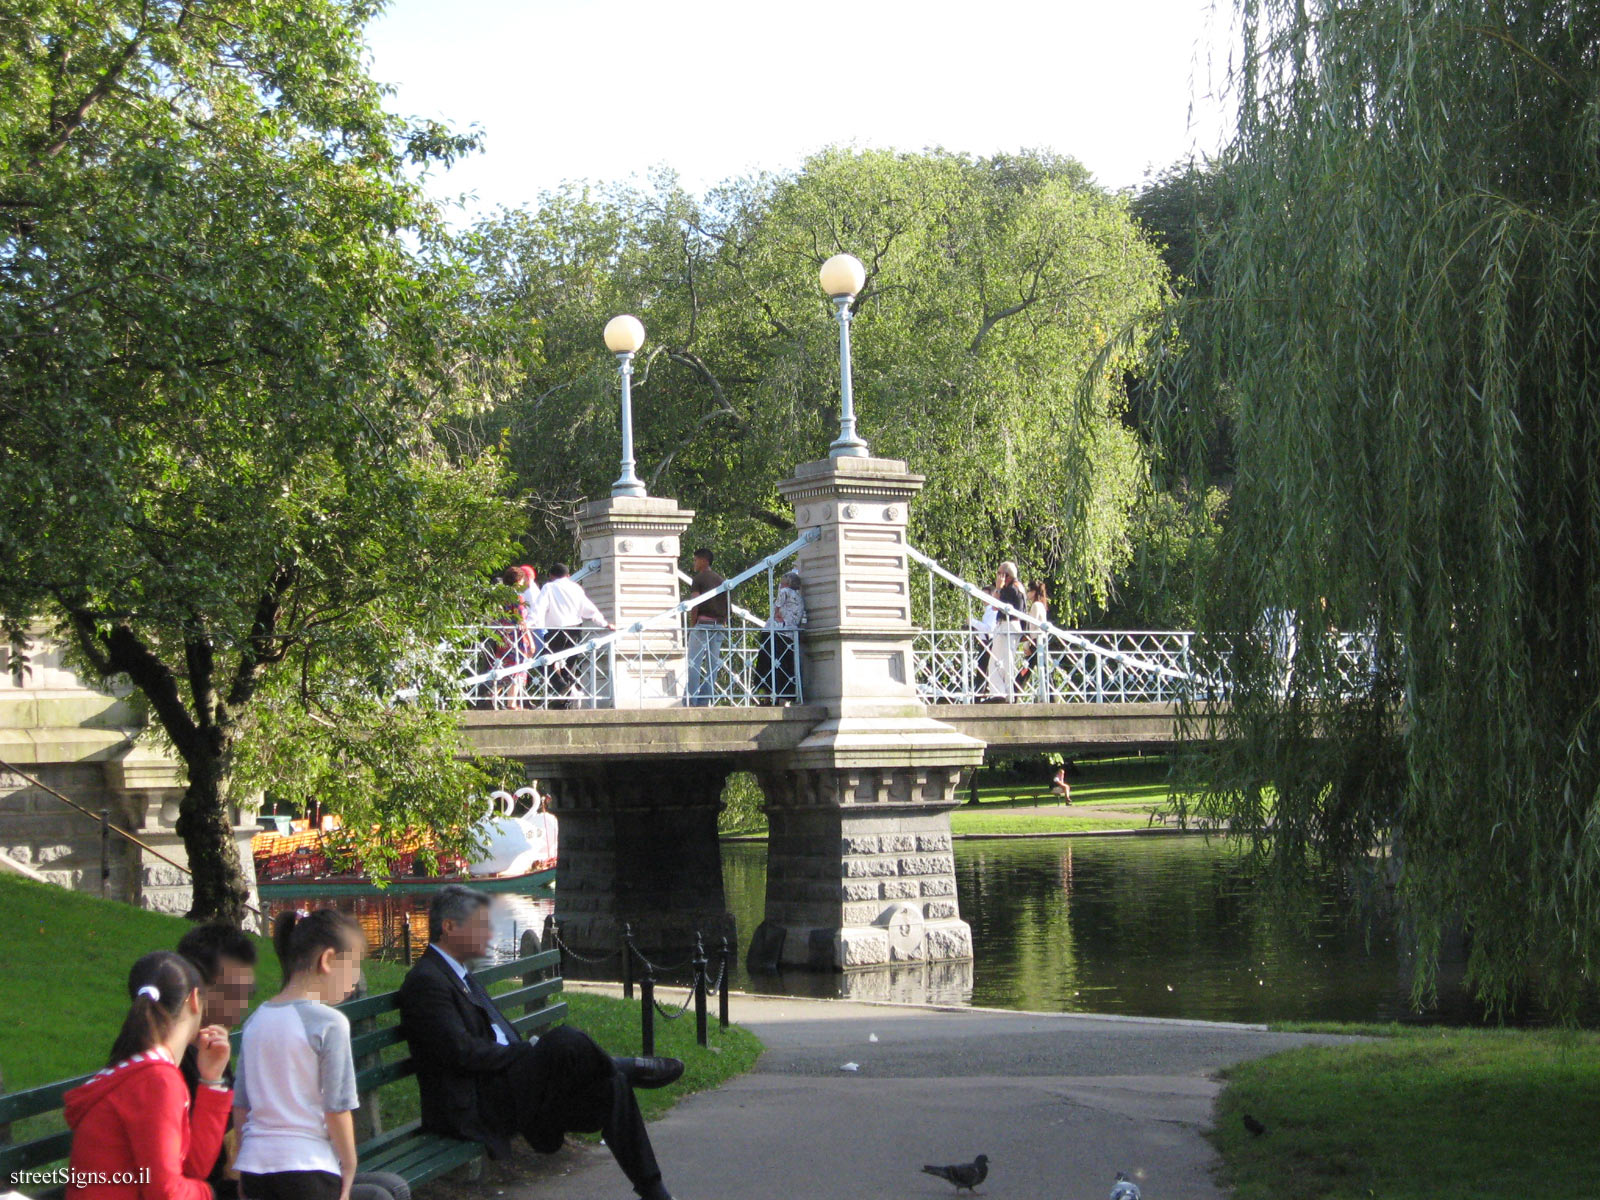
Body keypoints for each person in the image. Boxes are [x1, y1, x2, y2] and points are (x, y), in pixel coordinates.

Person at [398, 886, 684, 1200]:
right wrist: (527, 1052)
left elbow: (494, 1038)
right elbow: (461, 1052)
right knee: (563, 1040)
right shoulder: (427, 981)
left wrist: (524, 1055)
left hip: (504, 1091)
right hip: (473, 1108)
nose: (488, 932)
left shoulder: (460, 976)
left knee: (611, 1087)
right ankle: (623, 1065)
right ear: (449, 927)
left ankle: (655, 1192)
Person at [64, 951, 233, 1199]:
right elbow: (166, 1193)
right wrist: (212, 1194)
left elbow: (192, 1168)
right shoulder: (157, 1081)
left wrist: (211, 1080)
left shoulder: (147, 1070)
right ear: (194, 1000)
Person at [233, 909, 366, 1200]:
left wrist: (240, 1169)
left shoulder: (255, 1020)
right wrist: (350, 1163)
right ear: (328, 960)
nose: (356, 979)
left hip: (256, 1168)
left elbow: (241, 1106)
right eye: (354, 966)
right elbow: (336, 1107)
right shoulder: (330, 1023)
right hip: (309, 1169)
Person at [176, 923, 258, 1193]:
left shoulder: (211, 1046)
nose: (244, 998)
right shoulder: (179, 1063)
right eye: (235, 988)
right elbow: (201, 1169)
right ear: (197, 990)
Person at [528, 563, 615, 707]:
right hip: (574, 631)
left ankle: (561, 687)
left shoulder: (549, 587)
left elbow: (539, 608)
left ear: (551, 576)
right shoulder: (576, 588)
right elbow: (589, 609)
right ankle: (566, 702)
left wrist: (528, 623)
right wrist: (604, 623)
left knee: (543, 661)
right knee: (569, 666)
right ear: (568, 576)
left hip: (556, 631)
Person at [686, 547, 727, 706]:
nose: (694, 563)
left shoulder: (699, 579)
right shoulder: (721, 580)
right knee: (712, 666)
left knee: (693, 664)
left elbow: (694, 604)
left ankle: (691, 700)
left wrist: (692, 625)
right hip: (718, 626)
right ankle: (705, 701)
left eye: (695, 560)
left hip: (702, 624)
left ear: (704, 561)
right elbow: (726, 604)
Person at [755, 570, 805, 701]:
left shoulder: (785, 592)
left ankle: (767, 697)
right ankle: (783, 697)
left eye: (782, 582)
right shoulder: (799, 597)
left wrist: (776, 614)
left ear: (787, 583)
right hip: (790, 634)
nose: (780, 585)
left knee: (768, 664)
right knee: (783, 666)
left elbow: (777, 605)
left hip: (776, 632)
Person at [986, 561, 1027, 702]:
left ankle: (1000, 694)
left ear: (1005, 576)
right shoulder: (1019, 587)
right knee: (1007, 662)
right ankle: (1008, 695)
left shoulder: (1010, 589)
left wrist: (998, 588)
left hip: (1006, 627)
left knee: (996, 663)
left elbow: (995, 606)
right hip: (1013, 627)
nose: (997, 576)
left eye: (999, 574)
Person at [1016, 580, 1050, 697]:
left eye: (1029, 591)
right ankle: (1051, 697)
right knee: (1043, 669)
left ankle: (1015, 690)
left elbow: (1032, 627)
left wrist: (1027, 644)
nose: (1028, 593)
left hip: (1035, 641)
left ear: (1034, 592)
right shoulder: (1041, 605)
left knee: (1027, 667)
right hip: (1041, 641)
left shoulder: (1035, 605)